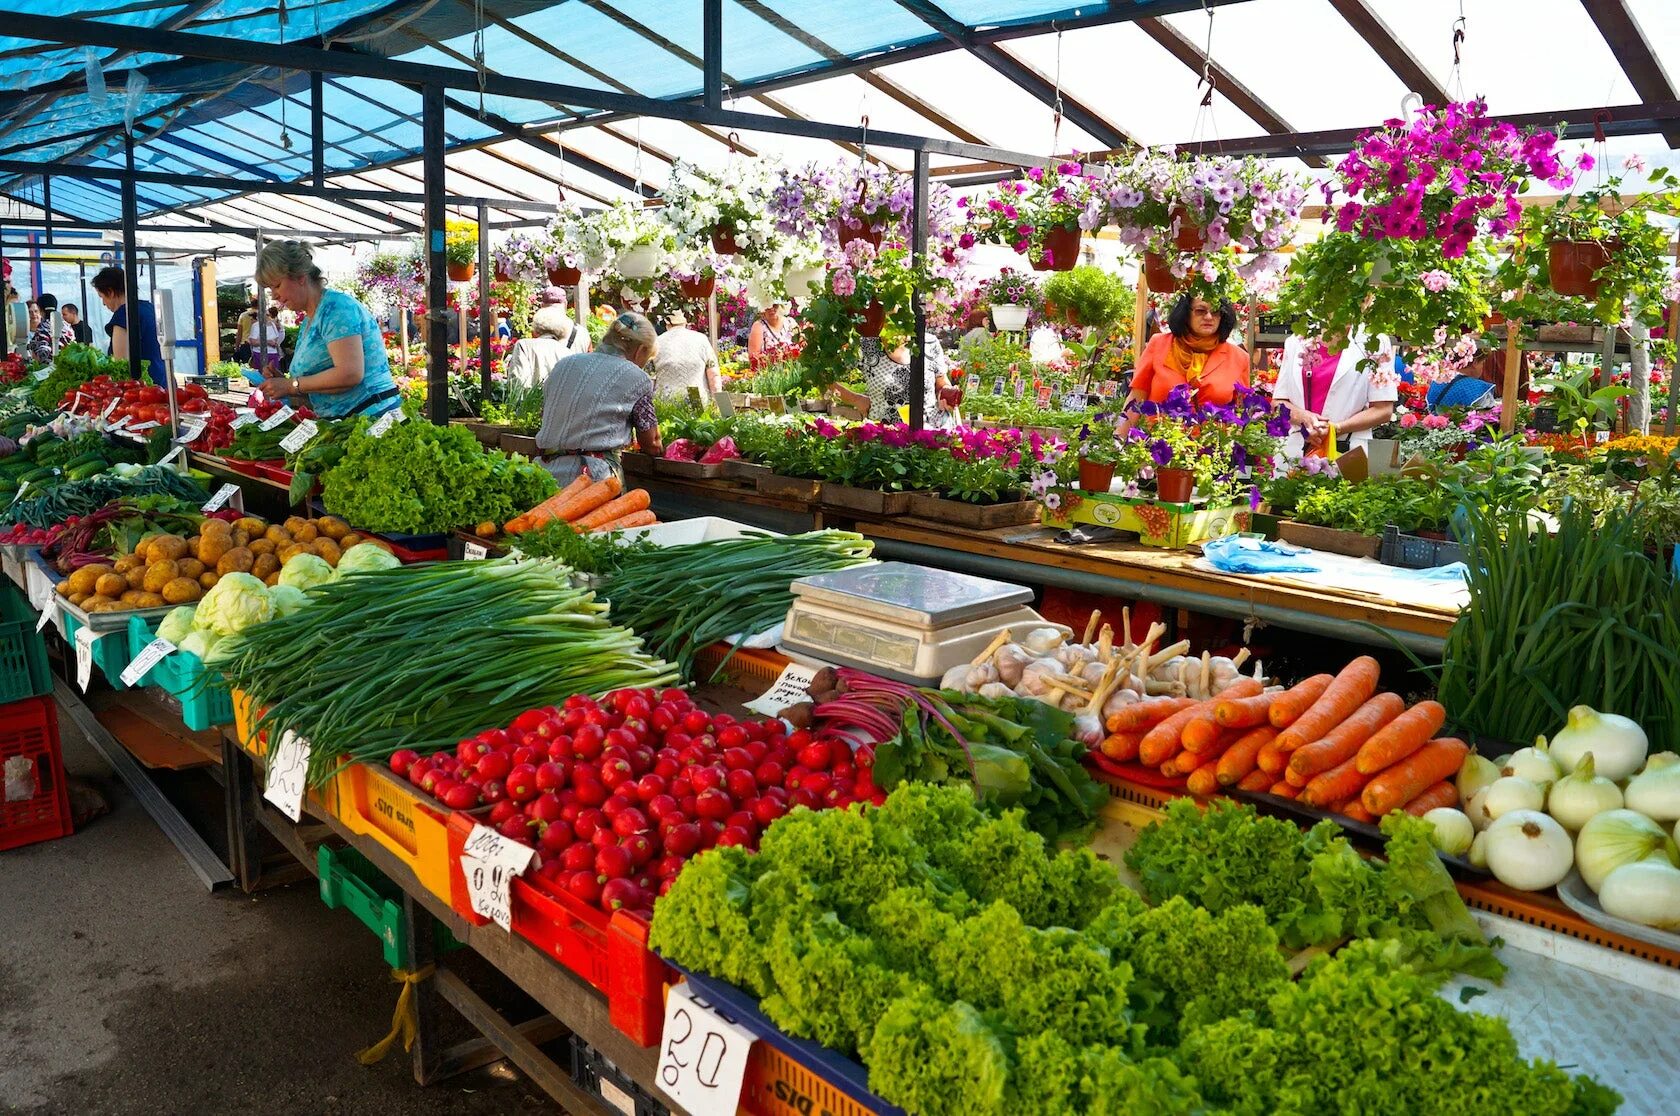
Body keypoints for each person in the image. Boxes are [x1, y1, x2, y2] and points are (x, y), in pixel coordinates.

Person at [251, 241, 400, 418]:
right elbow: (321, 383)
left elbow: (350, 374)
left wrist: (292, 385)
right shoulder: (309, 319)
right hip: (345, 422)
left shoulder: (336, 308)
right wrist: (285, 383)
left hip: (373, 416)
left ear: (300, 276)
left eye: (276, 285)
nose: (274, 295)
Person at [534, 311, 662, 487]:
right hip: (591, 480)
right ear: (640, 351)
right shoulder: (636, 377)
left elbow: (547, 415)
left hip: (543, 473)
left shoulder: (563, 364)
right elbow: (652, 444)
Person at [1273, 330, 1398, 458]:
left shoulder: (1375, 342)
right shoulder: (1296, 341)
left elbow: (1383, 410)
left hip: (1347, 450)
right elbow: (1277, 403)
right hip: (1295, 451)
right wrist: (1303, 418)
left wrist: (1336, 429)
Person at [1123, 293, 1250, 410]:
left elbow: (1240, 410)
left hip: (1214, 434)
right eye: (1201, 311)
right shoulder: (1158, 344)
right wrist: (1118, 434)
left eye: (1216, 312)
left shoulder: (1239, 357)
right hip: (1159, 432)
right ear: (1186, 313)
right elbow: (1136, 398)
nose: (1209, 317)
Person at [836, 334, 957, 428]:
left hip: (931, 433)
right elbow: (823, 376)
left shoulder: (928, 342)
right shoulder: (867, 345)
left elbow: (941, 383)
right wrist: (855, 399)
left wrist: (947, 395)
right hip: (886, 438)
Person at [91, 267, 168, 386]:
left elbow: (121, 364)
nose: (103, 303)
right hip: (163, 380)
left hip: (143, 389)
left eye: (102, 297)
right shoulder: (148, 308)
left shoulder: (123, 315)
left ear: (110, 292)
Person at [505, 288, 590, 391]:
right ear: (565, 304)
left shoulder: (525, 346)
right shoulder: (582, 334)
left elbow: (517, 383)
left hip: (534, 403)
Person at [648, 309, 719, 403]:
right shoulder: (701, 340)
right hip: (696, 399)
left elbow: (649, 379)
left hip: (666, 401)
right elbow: (714, 374)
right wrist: (717, 405)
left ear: (666, 323)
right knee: (698, 417)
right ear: (685, 322)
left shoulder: (657, 342)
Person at [28, 294, 73, 363]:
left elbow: (39, 354)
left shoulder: (43, 327)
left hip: (47, 369)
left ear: (40, 309)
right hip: (66, 365)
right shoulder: (67, 326)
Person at [248, 305, 284, 373]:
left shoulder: (273, 325)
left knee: (274, 374)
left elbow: (276, 337)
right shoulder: (256, 326)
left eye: (268, 315)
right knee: (262, 374)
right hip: (260, 354)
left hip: (273, 353)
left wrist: (275, 343)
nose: (268, 317)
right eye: (266, 315)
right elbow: (253, 342)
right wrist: (267, 342)